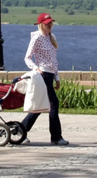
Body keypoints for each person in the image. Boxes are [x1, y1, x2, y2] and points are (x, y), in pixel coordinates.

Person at [20, 13, 69, 146]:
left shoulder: (51, 37)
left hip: (50, 75)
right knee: (53, 105)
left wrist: (57, 78)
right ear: (41, 24)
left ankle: (21, 131)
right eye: (47, 23)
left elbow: (54, 60)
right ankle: (56, 137)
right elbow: (27, 57)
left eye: (51, 23)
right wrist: (36, 69)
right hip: (42, 75)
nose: (50, 25)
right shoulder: (37, 37)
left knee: (42, 106)